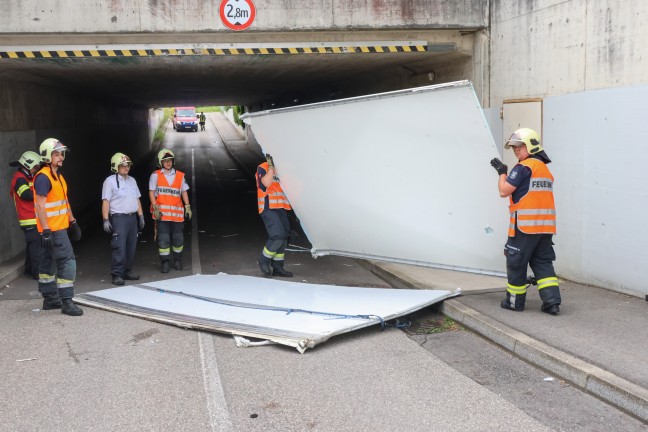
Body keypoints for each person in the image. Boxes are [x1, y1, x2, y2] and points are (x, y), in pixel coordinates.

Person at [490, 128, 561, 315]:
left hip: (524, 227)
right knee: (543, 262)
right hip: (545, 227)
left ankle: (514, 302)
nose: (516, 150)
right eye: (514, 147)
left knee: (516, 262)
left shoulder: (524, 167)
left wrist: (502, 173)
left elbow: (504, 191)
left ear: (531, 145)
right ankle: (552, 303)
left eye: (519, 146)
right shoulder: (544, 168)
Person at [33, 138, 83, 316]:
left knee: (47, 263)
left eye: (61, 153)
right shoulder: (43, 178)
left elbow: (64, 201)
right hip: (52, 231)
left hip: (55, 229)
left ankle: (50, 299)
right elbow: (39, 206)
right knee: (67, 261)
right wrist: (46, 230)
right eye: (56, 154)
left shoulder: (57, 176)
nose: (61, 157)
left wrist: (73, 221)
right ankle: (67, 302)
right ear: (47, 156)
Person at [102, 153, 145, 285]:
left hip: (132, 218)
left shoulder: (132, 180)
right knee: (119, 247)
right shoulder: (109, 181)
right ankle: (117, 274)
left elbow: (137, 199)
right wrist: (105, 219)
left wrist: (141, 216)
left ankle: (127, 271)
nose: (126, 168)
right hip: (119, 219)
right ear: (116, 167)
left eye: (128, 165)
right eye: (123, 166)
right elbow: (106, 201)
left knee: (131, 246)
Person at [149, 149, 191, 273]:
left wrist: (187, 206)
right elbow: (151, 192)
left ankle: (177, 261)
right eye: (165, 161)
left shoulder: (180, 175)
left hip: (177, 216)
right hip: (162, 215)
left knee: (178, 239)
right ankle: (165, 263)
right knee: (163, 240)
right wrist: (155, 207)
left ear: (173, 161)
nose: (168, 163)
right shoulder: (155, 175)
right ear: (161, 163)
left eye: (170, 160)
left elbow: (184, 191)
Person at [255, 153, 293, 277]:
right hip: (268, 207)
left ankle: (278, 267)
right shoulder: (263, 167)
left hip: (281, 208)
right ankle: (263, 260)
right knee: (278, 235)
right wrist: (271, 168)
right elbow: (265, 183)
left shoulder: (284, 169)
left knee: (284, 237)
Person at [9, 151, 42, 280]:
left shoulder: (26, 177)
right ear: (29, 166)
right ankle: (37, 273)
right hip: (29, 219)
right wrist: (41, 191)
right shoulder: (20, 178)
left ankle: (28, 269)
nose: (36, 169)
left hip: (32, 218)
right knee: (36, 246)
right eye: (35, 166)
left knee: (31, 245)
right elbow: (26, 195)